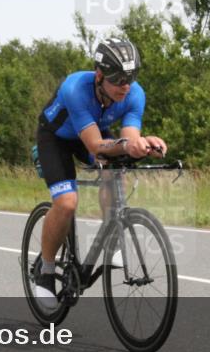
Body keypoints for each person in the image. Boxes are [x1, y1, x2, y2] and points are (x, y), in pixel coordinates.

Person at [32, 38, 167, 308]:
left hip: (93, 133)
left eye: (131, 78)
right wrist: (127, 144)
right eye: (118, 80)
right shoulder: (76, 88)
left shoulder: (134, 94)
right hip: (57, 138)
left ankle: (112, 239)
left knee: (115, 169)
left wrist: (142, 145)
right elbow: (94, 145)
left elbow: (128, 138)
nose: (125, 86)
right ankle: (45, 271)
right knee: (67, 202)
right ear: (99, 75)